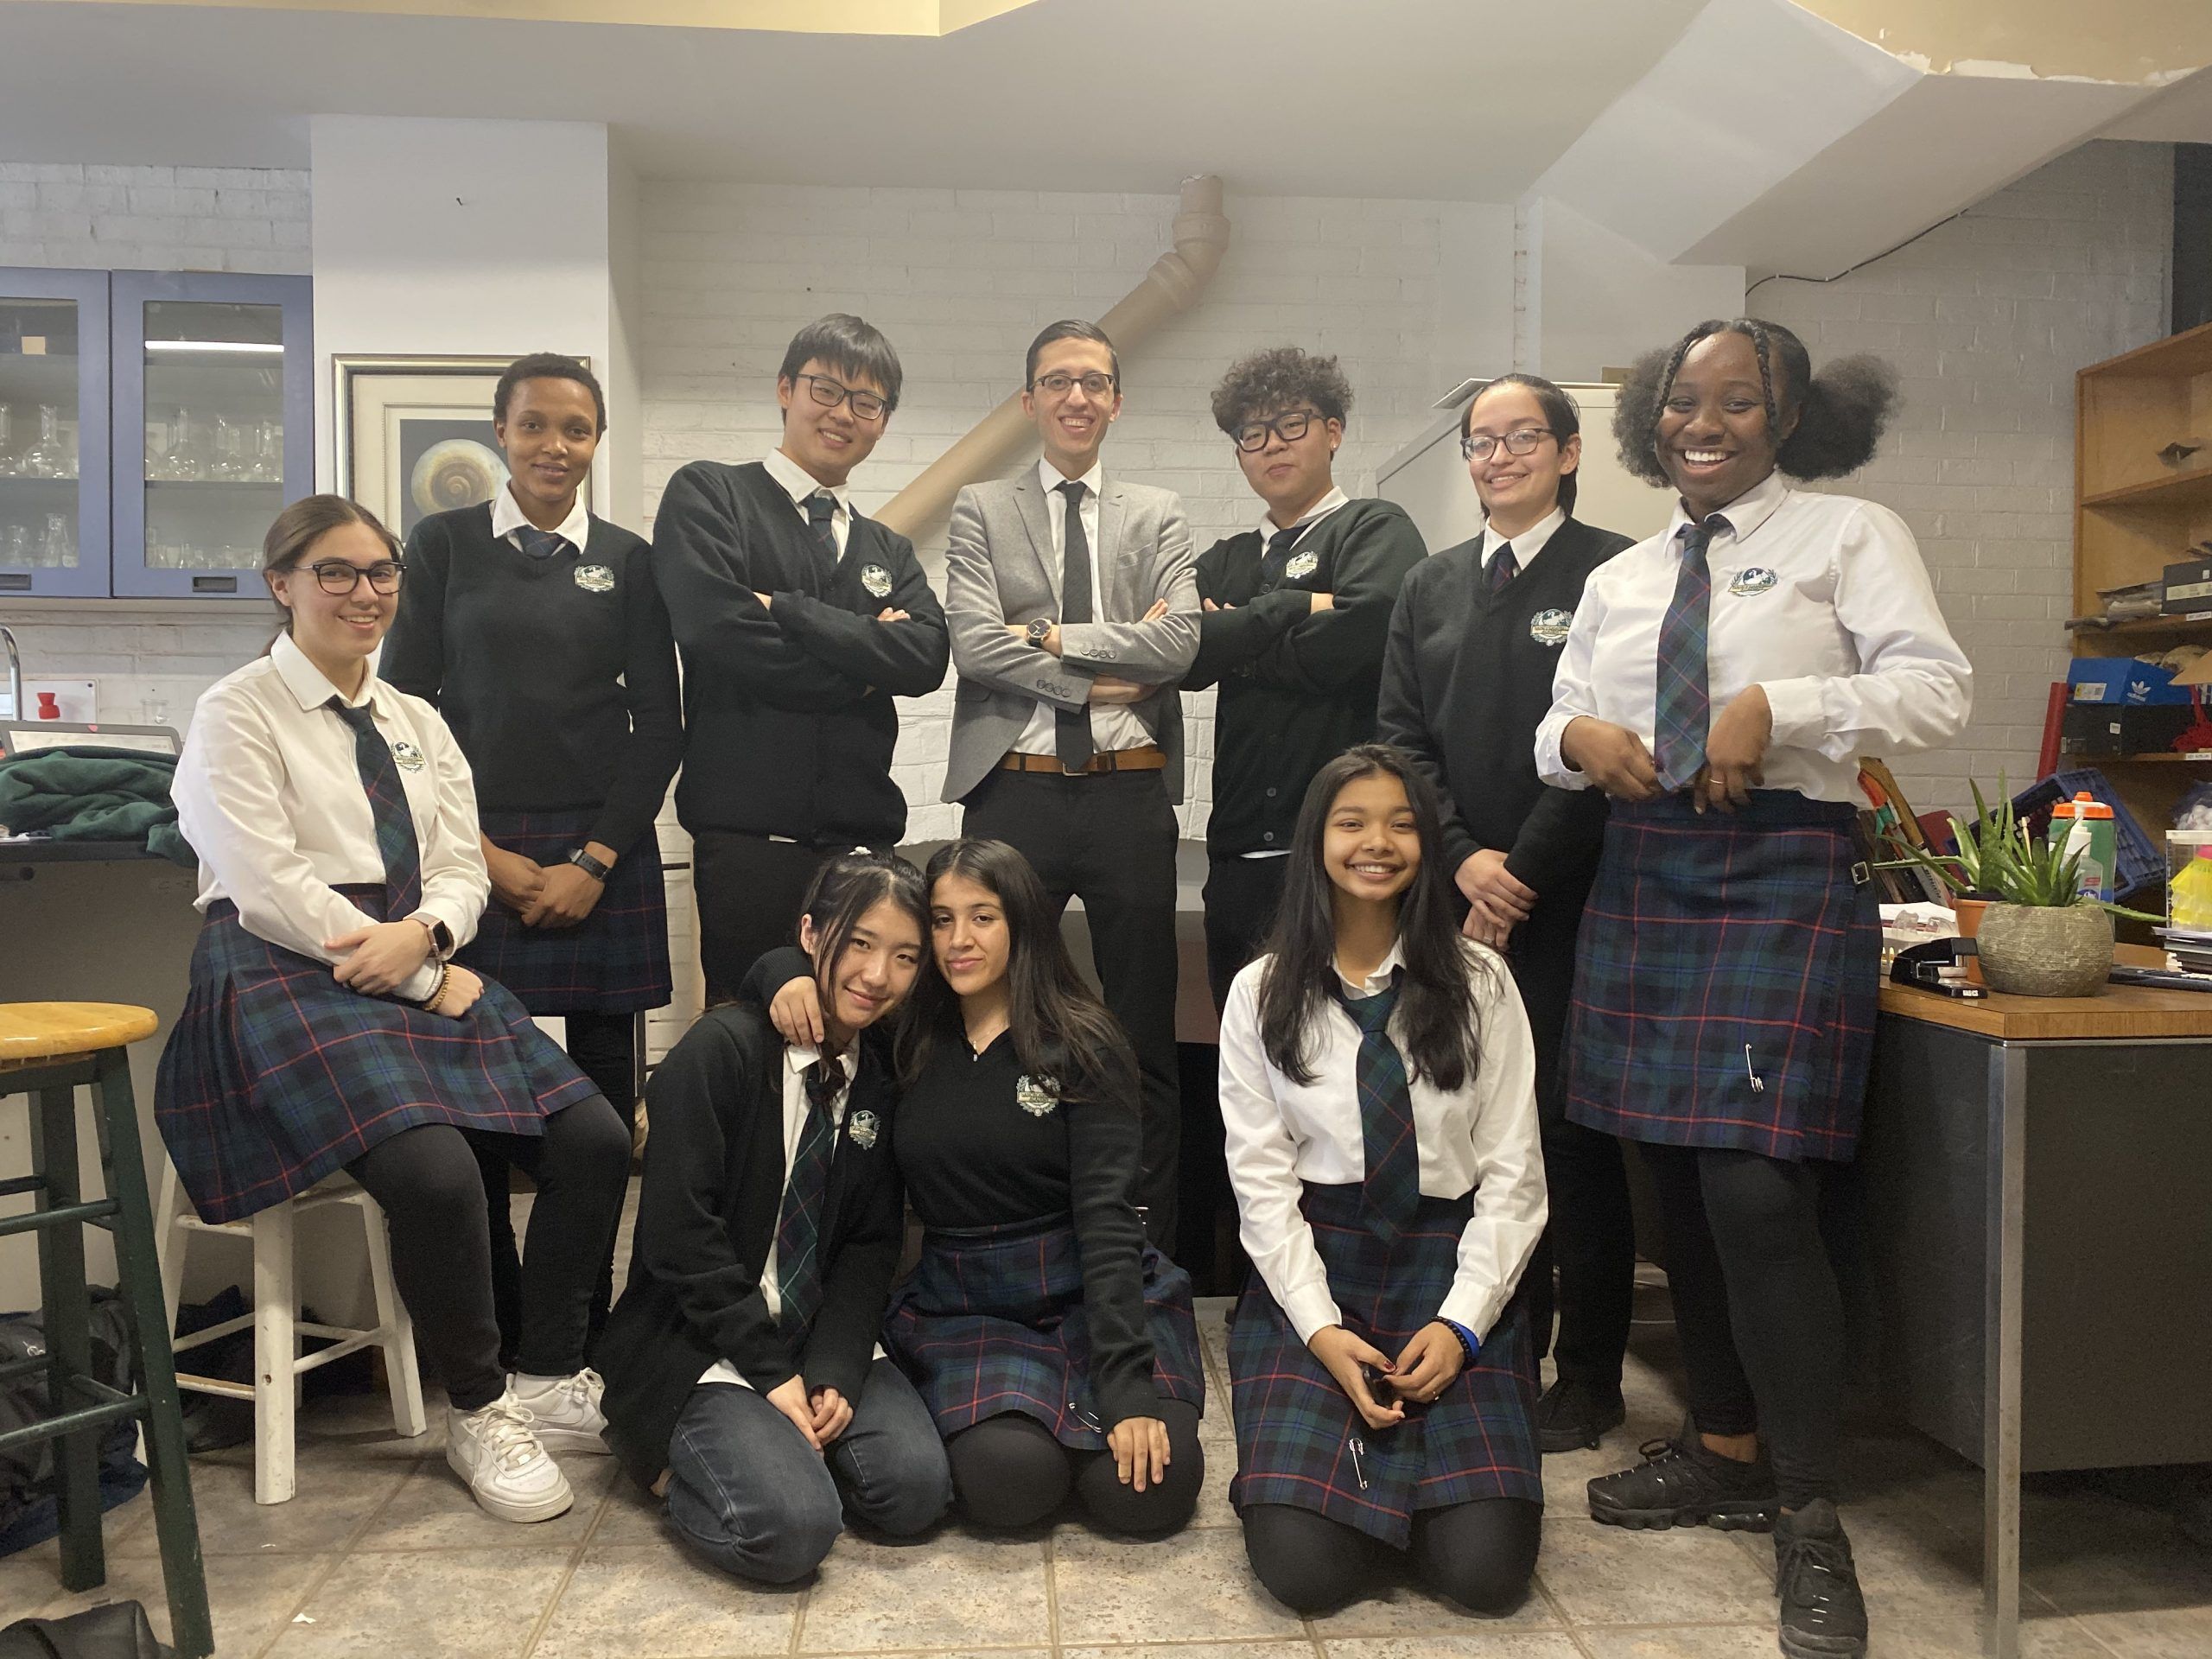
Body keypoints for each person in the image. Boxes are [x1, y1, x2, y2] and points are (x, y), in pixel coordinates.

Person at [1536, 318, 1972, 1659]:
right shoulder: (1620, 575)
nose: (1702, 421)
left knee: (1756, 1191)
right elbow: (1553, 728)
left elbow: (1938, 692)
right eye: (1682, 401)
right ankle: (1720, 1446)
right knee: (1672, 1175)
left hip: (1785, 871)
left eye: (1739, 399)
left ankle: (1807, 1510)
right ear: (1651, 422)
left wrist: (1778, 707)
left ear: (1790, 414)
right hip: (1649, 875)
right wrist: (1580, 737)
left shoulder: (1853, 535)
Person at [156, 495, 632, 1524]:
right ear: (281, 583)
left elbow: (460, 861)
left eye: (380, 573)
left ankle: (547, 1376)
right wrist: (415, 970)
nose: (364, 593)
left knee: (594, 1138)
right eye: (335, 572)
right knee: (436, 1168)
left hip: (411, 944)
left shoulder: (416, 719)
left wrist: (432, 937)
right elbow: (265, 884)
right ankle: (478, 1405)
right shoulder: (234, 712)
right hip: (284, 965)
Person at [761, 838, 1206, 1535]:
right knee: (1010, 1484)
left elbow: (1109, 1219)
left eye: (982, 917)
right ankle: (1046, 1446)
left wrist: (1126, 1387)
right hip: (965, 1304)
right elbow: (809, 966)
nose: (958, 940)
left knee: (1151, 1495)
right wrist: (783, 975)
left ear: (1022, 922)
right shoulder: (903, 1035)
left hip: (1090, 1288)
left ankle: (1090, 1428)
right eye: (940, 921)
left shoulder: (1084, 1041)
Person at [384, 352, 683, 1362]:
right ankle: (498, 1326)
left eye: (577, 429)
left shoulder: (630, 561)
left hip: (606, 852)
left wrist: (595, 857)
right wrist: (485, 857)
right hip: (472, 849)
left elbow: (661, 722)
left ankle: (578, 1330)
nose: (556, 446)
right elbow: (403, 718)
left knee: (601, 1112)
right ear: (500, 432)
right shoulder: (443, 545)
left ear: (596, 441)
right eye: (536, 426)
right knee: (468, 1106)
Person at [1217, 744, 1547, 1615]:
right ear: (1316, 841)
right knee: (1306, 1577)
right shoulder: (1259, 993)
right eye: (1353, 822)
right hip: (1319, 1278)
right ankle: (1308, 1486)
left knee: (1484, 1578)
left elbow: (1514, 1180)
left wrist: (1463, 1326)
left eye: (1402, 824)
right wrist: (1323, 1333)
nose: (1378, 842)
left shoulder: (1484, 985)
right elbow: (1260, 1188)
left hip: (1450, 1272)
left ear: (1428, 846)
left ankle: (1405, 1493)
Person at [1375, 372, 1639, 1454]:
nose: (1497, 457)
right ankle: (1495, 1351)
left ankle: (1588, 1379)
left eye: (1521, 437)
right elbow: (1399, 741)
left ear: (1569, 452)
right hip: (1447, 902)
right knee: (1474, 1136)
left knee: (1572, 1142)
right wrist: (1460, 860)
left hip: (1575, 899)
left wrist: (1516, 874)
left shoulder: (1618, 573)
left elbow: (1610, 739)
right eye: (1480, 443)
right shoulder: (1429, 587)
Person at [596, 853, 952, 1583]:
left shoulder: (881, 1073)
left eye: (904, 957)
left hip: (812, 1326)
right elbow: (678, 1237)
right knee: (791, 1532)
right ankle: (659, 1460)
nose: (877, 975)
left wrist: (835, 1368)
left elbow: (870, 1242)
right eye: (860, 943)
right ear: (811, 938)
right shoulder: (719, 1053)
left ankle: (785, 1455)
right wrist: (768, 1372)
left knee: (915, 1493)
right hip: (703, 1339)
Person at [941, 320, 1198, 1248]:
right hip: (1014, 791)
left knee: (1140, 1038)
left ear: (1116, 401)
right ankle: (1014, 1234)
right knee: (1001, 1016)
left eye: (1093, 382)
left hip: (1129, 796)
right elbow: (972, 642)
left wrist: (1051, 639)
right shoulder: (979, 508)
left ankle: (1147, 1252)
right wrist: (1102, 671)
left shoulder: (1157, 511)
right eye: (1057, 382)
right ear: (1030, 403)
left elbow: (1179, 643)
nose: (1077, 397)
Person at [652, 313, 949, 1002]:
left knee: (862, 1043)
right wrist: (868, 670)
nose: (844, 413)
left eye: (867, 402)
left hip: (862, 849)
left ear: (883, 421)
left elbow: (928, 657)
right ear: (786, 389)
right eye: (826, 389)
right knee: (752, 1039)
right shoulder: (710, 495)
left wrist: (785, 609)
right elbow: (712, 629)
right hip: (749, 842)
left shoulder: (888, 549)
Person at [1185, 346, 1427, 1012]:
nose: (1272, 446)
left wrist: (1244, 636)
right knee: (1249, 1053)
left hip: (1346, 854)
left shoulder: (1374, 527)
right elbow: (1179, 652)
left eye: (1292, 425)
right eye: (1253, 435)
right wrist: (1298, 609)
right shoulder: (1227, 558)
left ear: (1333, 432)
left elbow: (1362, 632)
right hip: (1237, 855)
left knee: (1352, 1043)